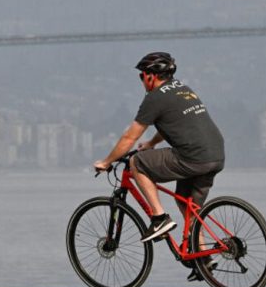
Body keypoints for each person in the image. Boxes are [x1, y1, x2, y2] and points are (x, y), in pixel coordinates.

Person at [93, 52, 225, 250]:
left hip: (192, 157)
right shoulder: (182, 89)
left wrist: (106, 161)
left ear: (150, 76)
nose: (141, 80)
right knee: (188, 204)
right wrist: (151, 143)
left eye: (141, 76)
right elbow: (175, 122)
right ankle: (203, 255)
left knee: (136, 162)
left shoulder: (154, 98)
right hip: (215, 155)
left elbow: (130, 137)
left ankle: (159, 217)